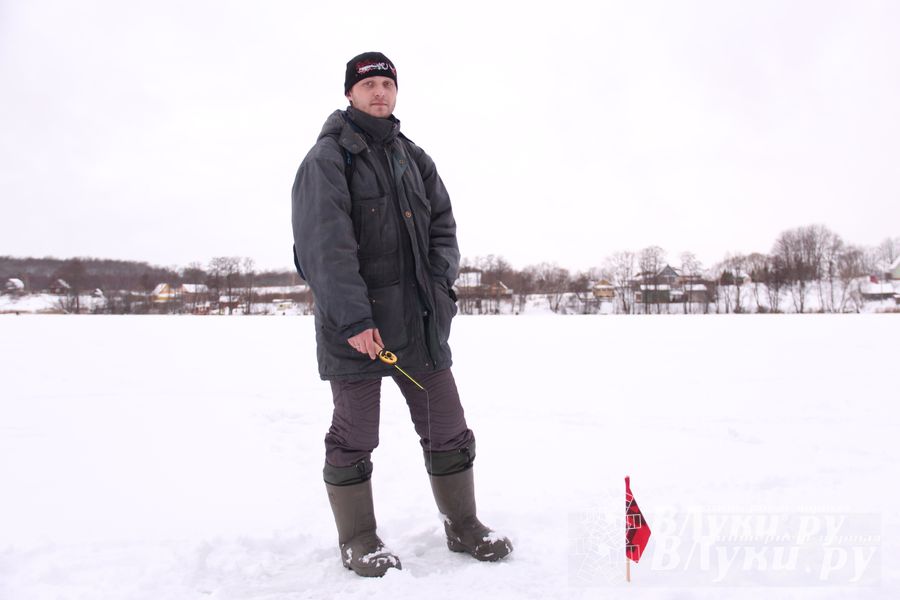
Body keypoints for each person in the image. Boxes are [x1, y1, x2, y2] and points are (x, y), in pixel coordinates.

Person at [291, 52, 512, 577]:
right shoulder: (327, 159)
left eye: (387, 82)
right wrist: (353, 321)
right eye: (368, 83)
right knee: (355, 435)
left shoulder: (414, 157)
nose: (379, 91)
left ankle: (463, 525)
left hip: (418, 326)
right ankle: (359, 540)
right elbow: (325, 249)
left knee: (449, 428)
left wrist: (439, 287)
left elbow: (444, 229)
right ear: (350, 93)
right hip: (358, 333)